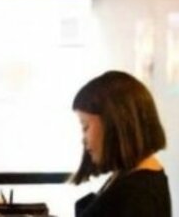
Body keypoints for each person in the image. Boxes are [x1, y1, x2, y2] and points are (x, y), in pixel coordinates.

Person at [72, 70, 171, 216]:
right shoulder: (126, 177)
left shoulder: (137, 195)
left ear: (114, 124)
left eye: (85, 126)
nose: (83, 139)